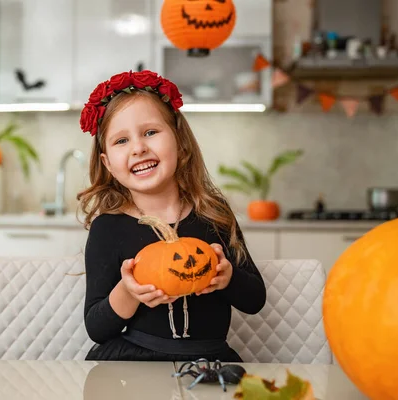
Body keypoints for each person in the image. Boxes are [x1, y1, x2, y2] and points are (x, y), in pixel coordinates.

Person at [76, 70, 267, 362]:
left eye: (150, 132)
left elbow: (255, 299)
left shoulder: (213, 213)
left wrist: (228, 277)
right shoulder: (108, 228)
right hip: (134, 362)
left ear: (179, 140)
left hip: (210, 360)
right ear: (108, 163)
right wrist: (128, 292)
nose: (139, 148)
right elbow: (96, 328)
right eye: (121, 141)